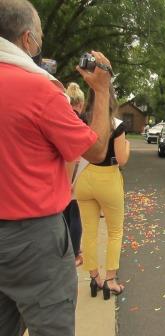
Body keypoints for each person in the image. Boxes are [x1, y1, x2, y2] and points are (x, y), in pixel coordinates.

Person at [0, 1, 112, 335]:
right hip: (33, 240)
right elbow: (95, 149)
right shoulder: (38, 89)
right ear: (27, 39)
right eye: (40, 36)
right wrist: (102, 90)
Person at [75, 84, 130, 300]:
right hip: (108, 179)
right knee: (115, 232)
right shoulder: (116, 125)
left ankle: (94, 277)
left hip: (84, 178)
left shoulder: (81, 120)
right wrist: (127, 147)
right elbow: (122, 159)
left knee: (89, 231)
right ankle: (110, 280)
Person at [64, 83, 87, 267]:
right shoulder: (78, 121)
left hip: (60, 170)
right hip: (75, 170)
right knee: (75, 215)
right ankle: (75, 253)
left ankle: (64, 250)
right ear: (79, 103)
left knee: (63, 214)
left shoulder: (60, 117)